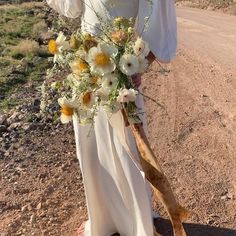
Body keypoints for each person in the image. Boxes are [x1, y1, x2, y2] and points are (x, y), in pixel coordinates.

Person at [46, 0, 177, 235]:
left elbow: (158, 19)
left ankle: (137, 220)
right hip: (85, 65)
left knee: (126, 144)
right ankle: (102, 216)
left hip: (120, 69)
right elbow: (73, 7)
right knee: (92, 144)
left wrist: (138, 65)